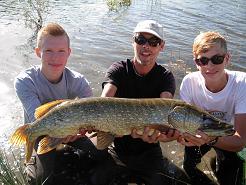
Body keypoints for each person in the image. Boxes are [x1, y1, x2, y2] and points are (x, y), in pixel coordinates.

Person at [90, 20, 180, 185]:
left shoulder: (165, 76)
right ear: (133, 41)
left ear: (162, 46)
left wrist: (163, 135)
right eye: (141, 40)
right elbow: (103, 103)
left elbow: (164, 110)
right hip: (116, 144)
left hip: (148, 150)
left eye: (153, 42)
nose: (146, 46)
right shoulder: (118, 69)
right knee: (96, 179)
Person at [14, 23, 96, 185]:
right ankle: (33, 162)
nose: (55, 58)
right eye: (48, 51)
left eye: (61, 51)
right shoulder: (24, 81)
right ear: (38, 53)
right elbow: (36, 118)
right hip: (40, 132)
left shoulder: (79, 81)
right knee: (42, 179)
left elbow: (92, 114)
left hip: (72, 130)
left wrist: (81, 131)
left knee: (101, 158)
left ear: (69, 53)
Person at [179, 31, 246, 185]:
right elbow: (181, 125)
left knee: (229, 179)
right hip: (198, 132)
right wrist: (183, 137)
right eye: (203, 60)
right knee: (189, 166)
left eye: (217, 59)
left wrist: (212, 139)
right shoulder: (189, 82)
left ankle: (219, 162)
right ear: (196, 63)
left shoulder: (242, 84)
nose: (209, 66)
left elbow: (240, 140)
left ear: (227, 58)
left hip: (227, 134)